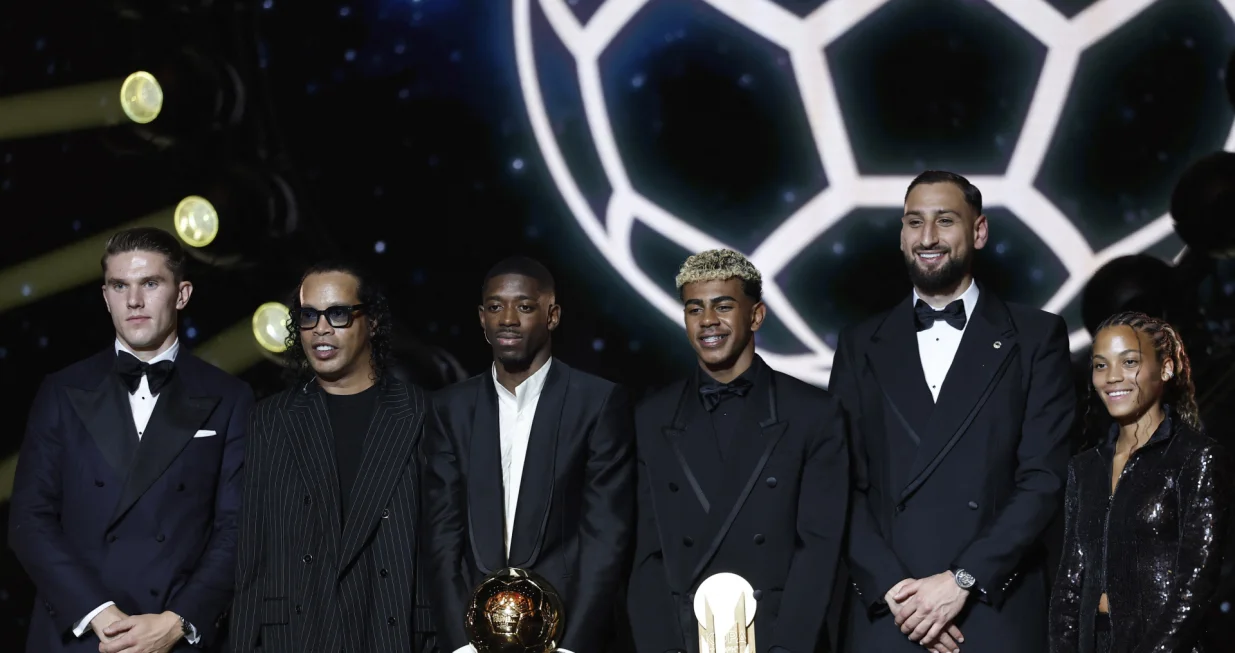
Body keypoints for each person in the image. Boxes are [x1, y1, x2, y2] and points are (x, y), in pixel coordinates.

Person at [829, 171, 1076, 653]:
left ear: (978, 231)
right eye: (914, 222)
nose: (927, 237)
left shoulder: (1036, 336)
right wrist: (898, 593)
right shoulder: (858, 344)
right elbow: (839, 483)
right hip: (891, 614)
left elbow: (1044, 478)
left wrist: (962, 580)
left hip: (992, 609)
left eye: (945, 221)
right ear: (901, 235)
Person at [8, 227, 254, 652]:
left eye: (150, 284)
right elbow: (29, 520)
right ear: (106, 297)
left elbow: (239, 527)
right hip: (79, 632)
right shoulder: (62, 391)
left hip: (174, 637)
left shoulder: (230, 397)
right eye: (120, 286)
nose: (134, 301)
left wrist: (176, 622)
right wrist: (99, 613)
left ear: (182, 294)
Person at [627, 249, 849, 653]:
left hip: (779, 636)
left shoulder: (812, 413)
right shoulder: (651, 417)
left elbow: (818, 550)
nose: (708, 320)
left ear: (756, 316)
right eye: (695, 309)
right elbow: (644, 554)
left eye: (723, 306)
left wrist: (787, 648)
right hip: (683, 637)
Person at [420, 256, 635, 653]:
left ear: (552, 315)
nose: (507, 319)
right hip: (473, 639)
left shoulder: (597, 402)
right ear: (481, 318)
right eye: (495, 306)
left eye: (524, 306)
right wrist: (460, 644)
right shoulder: (450, 408)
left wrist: (572, 645)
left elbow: (604, 537)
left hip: (567, 634)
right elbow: (441, 537)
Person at [230, 261, 434, 653]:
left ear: (371, 321)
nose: (320, 328)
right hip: (298, 635)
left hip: (393, 631)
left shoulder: (425, 414)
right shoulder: (271, 419)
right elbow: (252, 556)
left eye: (337, 313)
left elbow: (445, 548)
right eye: (309, 316)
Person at [1050, 312, 1231, 653]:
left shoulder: (1195, 457)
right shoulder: (1085, 468)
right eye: (1101, 365)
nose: (1112, 377)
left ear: (1165, 369)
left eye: (1129, 361)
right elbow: (1069, 583)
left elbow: (1195, 585)